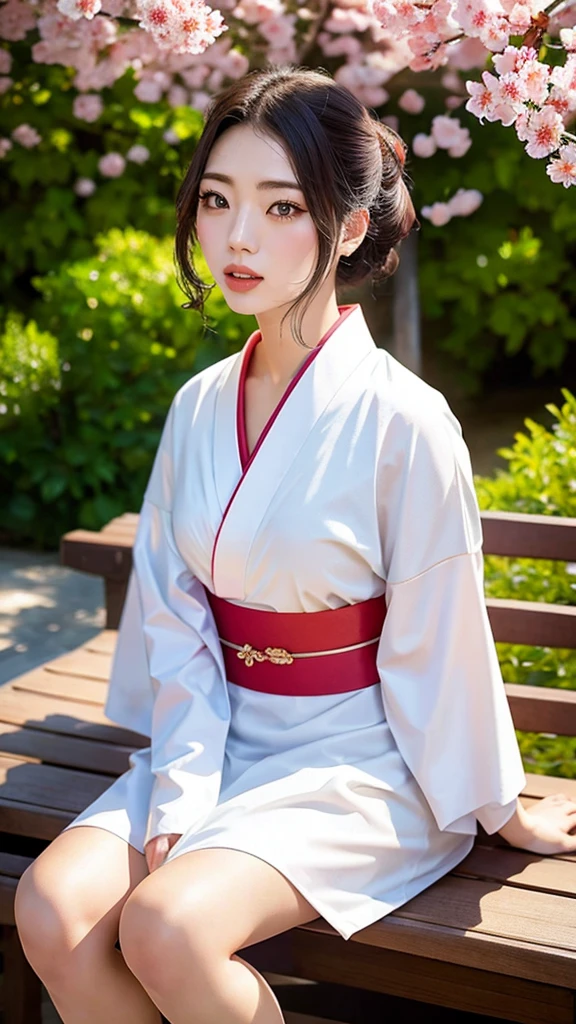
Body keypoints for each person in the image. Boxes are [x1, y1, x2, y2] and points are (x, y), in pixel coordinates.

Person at [14, 63, 576, 1024]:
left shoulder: (408, 421)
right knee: (52, 913)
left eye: (282, 208)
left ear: (348, 227)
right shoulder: (197, 408)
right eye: (218, 201)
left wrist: (500, 802)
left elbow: (439, 635)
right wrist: (185, 785)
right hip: (220, 736)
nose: (237, 238)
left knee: (167, 928)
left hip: (362, 762)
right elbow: (178, 616)